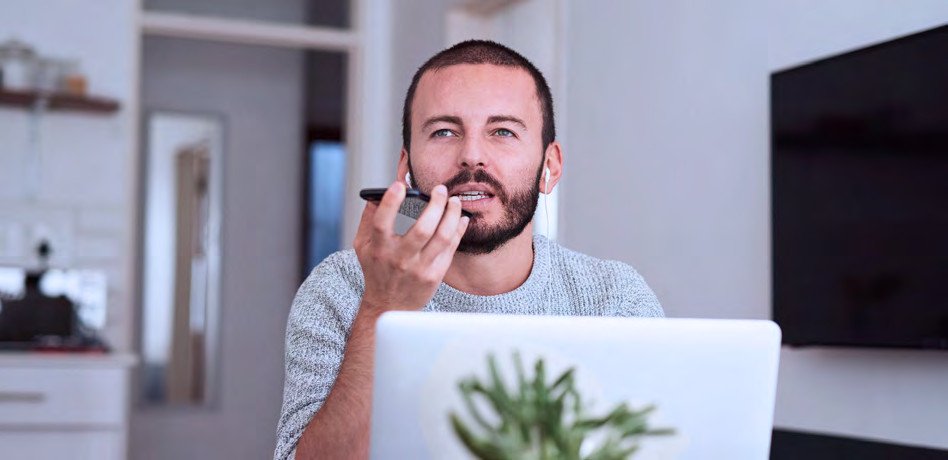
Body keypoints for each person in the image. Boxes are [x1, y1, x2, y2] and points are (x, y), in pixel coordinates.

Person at [274, 40, 663, 460]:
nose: (472, 157)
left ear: (550, 167)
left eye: (503, 132)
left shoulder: (613, 299)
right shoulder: (342, 288)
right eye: (444, 131)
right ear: (405, 168)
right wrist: (383, 308)